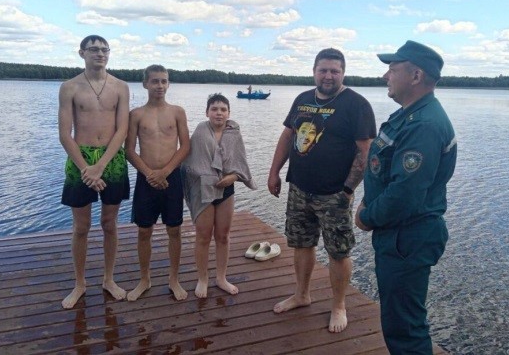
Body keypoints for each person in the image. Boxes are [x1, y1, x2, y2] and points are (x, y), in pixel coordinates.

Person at [355, 40, 457, 354]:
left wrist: (366, 216)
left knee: (405, 329)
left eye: (392, 69)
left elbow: (405, 194)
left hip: (407, 237)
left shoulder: (424, 124)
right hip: (400, 235)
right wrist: (369, 200)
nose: (385, 76)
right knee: (400, 321)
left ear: (415, 76)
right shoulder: (409, 115)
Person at [267, 48, 377, 333]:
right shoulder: (303, 99)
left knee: (338, 252)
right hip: (299, 188)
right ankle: (302, 294)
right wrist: (274, 171)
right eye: (323, 70)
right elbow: (288, 135)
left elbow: (365, 151)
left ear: (343, 73)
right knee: (301, 244)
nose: (328, 76)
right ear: (314, 71)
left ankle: (338, 305)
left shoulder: (357, 104)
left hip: (334, 194)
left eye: (334, 71)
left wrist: (348, 189)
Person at [58, 34, 130, 309]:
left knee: (110, 224)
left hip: (111, 159)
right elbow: (65, 134)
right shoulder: (69, 87)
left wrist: (100, 166)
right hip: (81, 158)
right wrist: (86, 168)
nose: (100, 54)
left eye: (104, 49)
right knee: (81, 227)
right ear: (82, 53)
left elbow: (122, 130)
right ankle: (80, 283)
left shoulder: (121, 87)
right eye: (94, 49)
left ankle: (108, 279)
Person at [125, 65, 191, 302]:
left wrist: (165, 171)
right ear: (145, 84)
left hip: (171, 177)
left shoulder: (177, 112)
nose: (160, 86)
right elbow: (129, 150)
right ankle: (145, 279)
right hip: (146, 178)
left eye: (164, 81)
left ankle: (174, 279)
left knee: (174, 230)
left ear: (169, 83)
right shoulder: (136, 114)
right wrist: (150, 174)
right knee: (144, 231)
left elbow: (185, 146)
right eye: (155, 81)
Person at [182, 94, 256, 298]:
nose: (219, 113)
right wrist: (208, 176)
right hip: (203, 189)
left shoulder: (234, 133)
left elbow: (240, 162)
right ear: (207, 112)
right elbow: (192, 163)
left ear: (228, 113)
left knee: (223, 236)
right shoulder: (200, 131)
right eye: (214, 109)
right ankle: (202, 279)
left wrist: (233, 176)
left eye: (223, 109)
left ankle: (221, 278)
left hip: (227, 190)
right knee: (203, 236)